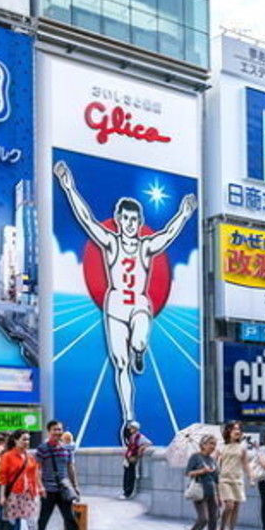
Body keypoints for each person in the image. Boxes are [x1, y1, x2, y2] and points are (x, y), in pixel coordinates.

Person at [53, 160, 197, 443]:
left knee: (139, 342)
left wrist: (184, 213)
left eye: (134, 220)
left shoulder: (146, 246)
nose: (130, 224)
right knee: (120, 364)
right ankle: (129, 417)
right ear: (118, 219)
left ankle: (140, 350)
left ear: (139, 222)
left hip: (139, 304)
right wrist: (68, 187)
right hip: (115, 305)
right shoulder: (111, 242)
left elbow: (168, 234)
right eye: (125, 219)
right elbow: (87, 220)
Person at [34, 419, 86, 530]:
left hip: (64, 489)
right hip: (48, 490)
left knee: (70, 518)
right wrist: (40, 487)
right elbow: (37, 469)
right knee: (43, 519)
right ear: (49, 431)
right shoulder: (42, 448)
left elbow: (70, 468)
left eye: (59, 429)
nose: (58, 432)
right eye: (55, 429)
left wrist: (75, 486)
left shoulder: (66, 448)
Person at [0, 430, 40, 530]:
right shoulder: (8, 456)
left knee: (32, 523)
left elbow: (35, 475)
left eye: (28, 439)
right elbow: (3, 477)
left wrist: (38, 489)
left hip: (29, 494)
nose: (26, 442)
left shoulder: (30, 457)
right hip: (14, 494)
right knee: (9, 523)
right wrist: (2, 496)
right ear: (15, 440)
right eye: (23, 439)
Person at [216, 421, 251, 530]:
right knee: (229, 506)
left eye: (239, 429)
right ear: (228, 431)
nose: (237, 431)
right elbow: (215, 464)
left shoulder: (242, 447)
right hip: (224, 479)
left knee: (236, 508)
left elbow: (246, 464)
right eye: (234, 429)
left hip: (238, 480)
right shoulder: (221, 446)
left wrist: (251, 477)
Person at [184, 433, 218, 530]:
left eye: (214, 444)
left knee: (214, 518)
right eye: (211, 444)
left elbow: (216, 478)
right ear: (203, 445)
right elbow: (188, 473)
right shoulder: (195, 457)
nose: (213, 447)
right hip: (199, 490)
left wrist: (220, 494)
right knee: (204, 518)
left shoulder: (212, 460)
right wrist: (202, 471)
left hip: (211, 491)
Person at [121, 421, 149, 500]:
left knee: (131, 475)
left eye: (132, 428)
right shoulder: (132, 437)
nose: (130, 429)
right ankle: (125, 491)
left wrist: (141, 449)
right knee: (126, 475)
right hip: (128, 458)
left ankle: (128, 493)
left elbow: (148, 443)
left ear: (136, 429)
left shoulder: (139, 436)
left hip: (133, 458)